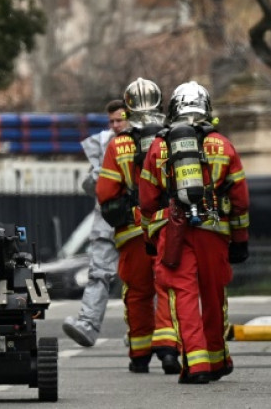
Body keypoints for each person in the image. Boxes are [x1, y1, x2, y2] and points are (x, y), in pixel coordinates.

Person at [139, 81, 250, 384]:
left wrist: (151, 238)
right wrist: (240, 241)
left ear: (173, 110)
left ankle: (196, 364)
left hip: (172, 232)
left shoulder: (159, 147)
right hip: (214, 231)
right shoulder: (224, 146)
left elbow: (147, 199)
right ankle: (217, 359)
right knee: (213, 295)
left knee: (183, 296)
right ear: (207, 109)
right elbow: (240, 199)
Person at [94, 78, 180, 374]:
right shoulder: (171, 139)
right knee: (168, 287)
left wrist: (127, 214)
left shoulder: (118, 146)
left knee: (137, 292)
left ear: (127, 109)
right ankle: (169, 349)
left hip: (133, 232)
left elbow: (106, 194)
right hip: (168, 227)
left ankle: (140, 354)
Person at [62, 99, 129, 347]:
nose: (115, 125)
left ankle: (143, 333)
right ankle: (88, 325)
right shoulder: (103, 143)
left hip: (134, 220)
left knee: (140, 279)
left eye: (119, 119)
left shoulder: (140, 141)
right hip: (107, 219)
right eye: (111, 121)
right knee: (98, 273)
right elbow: (92, 186)